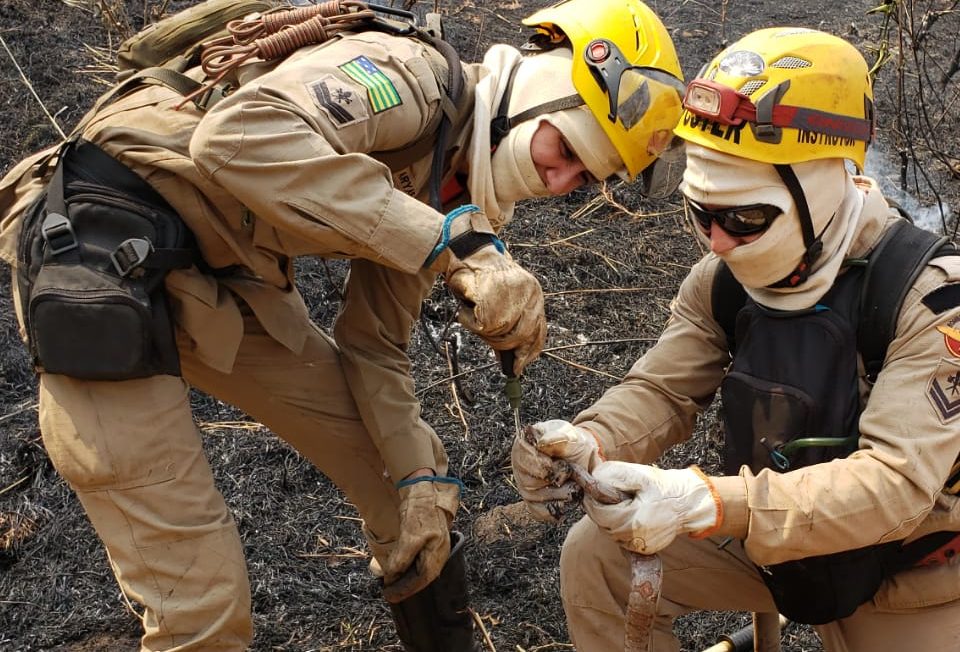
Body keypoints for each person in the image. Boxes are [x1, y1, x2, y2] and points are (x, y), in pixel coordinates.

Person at [0, 0, 686, 649]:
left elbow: (374, 343)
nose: (558, 180)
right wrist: (452, 245)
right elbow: (237, 135)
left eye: (582, 179)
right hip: (102, 254)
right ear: (539, 89)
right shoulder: (410, 76)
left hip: (221, 275)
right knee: (201, 604)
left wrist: (419, 476)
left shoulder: (454, 197)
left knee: (410, 494)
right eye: (563, 148)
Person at [512, 26, 960, 651]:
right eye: (701, 214)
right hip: (766, 537)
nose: (717, 242)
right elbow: (664, 387)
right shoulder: (723, 282)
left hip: (907, 569)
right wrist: (593, 439)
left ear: (823, 185)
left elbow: (895, 486)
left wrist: (711, 502)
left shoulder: (931, 299)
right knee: (598, 557)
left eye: (744, 218)